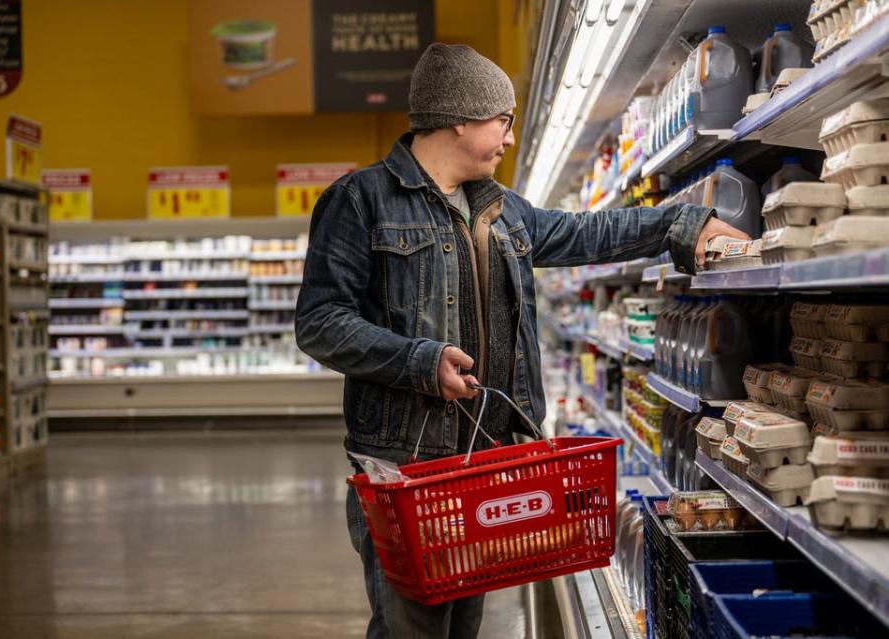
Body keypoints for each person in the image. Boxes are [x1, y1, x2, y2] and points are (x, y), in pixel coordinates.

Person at [295, 42, 748, 638]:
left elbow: (592, 232)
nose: (509, 137)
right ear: (462, 117)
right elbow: (321, 322)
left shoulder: (501, 211)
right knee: (411, 627)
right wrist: (420, 361)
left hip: (483, 460)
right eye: (503, 121)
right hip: (406, 467)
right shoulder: (360, 201)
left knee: (462, 624)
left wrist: (680, 223)